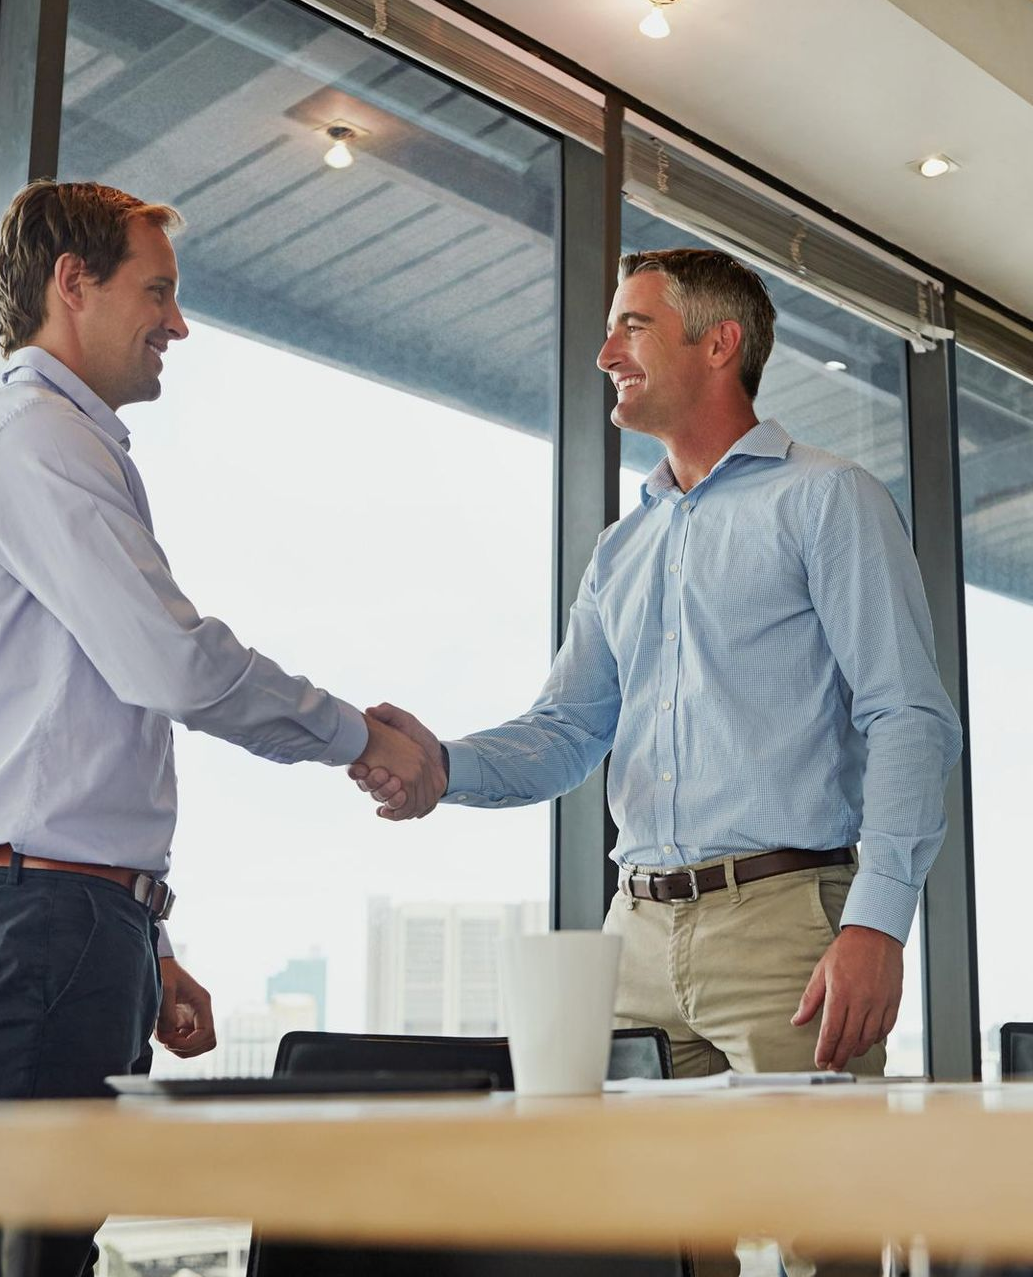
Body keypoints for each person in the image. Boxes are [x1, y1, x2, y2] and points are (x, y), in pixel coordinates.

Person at [350, 248, 962, 1275]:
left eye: (629, 327)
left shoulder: (825, 499)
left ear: (715, 343)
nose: (602, 354)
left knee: (828, 1239)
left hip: (785, 933)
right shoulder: (619, 553)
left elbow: (907, 714)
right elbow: (564, 730)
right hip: (630, 936)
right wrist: (441, 767)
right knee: (639, 1241)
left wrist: (874, 920)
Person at [0, 179, 442, 1276]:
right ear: (71, 283)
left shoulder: (52, 444)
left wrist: (140, 934)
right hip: (34, 921)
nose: (177, 323)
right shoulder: (36, 440)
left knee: (31, 1249)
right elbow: (171, 663)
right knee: (3, 1257)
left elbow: (70, 727)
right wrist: (354, 735)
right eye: (157, 290)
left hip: (57, 915)